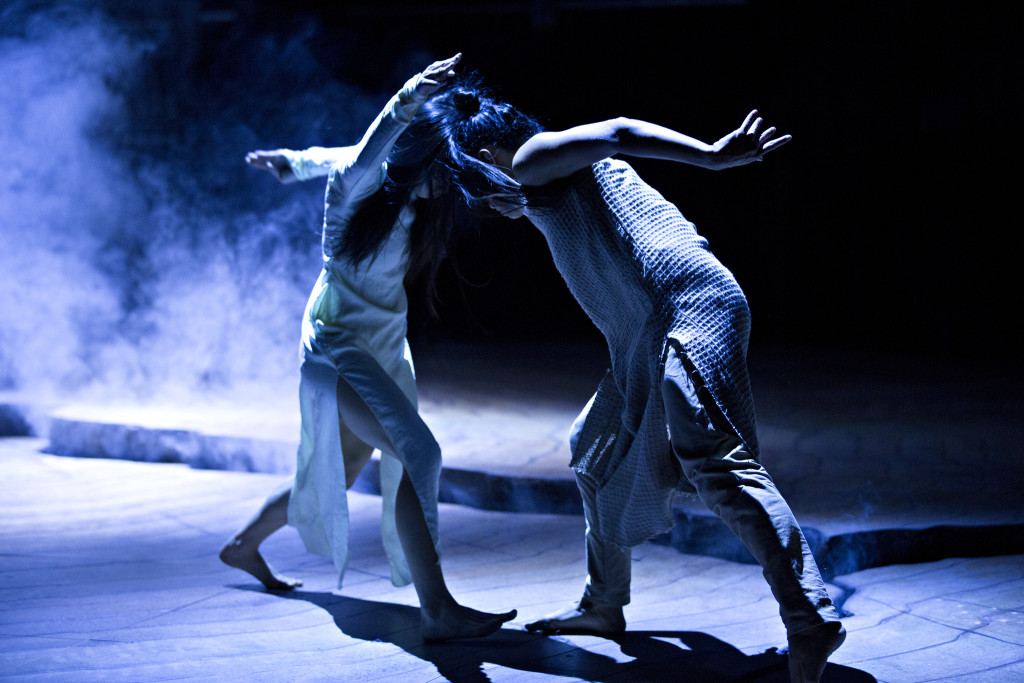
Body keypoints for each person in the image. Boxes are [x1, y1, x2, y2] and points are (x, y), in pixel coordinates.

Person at [437, 81, 845, 681]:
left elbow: (619, 129)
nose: (478, 193)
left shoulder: (531, 155)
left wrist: (712, 155)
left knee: (716, 463)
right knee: (594, 451)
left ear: (490, 151)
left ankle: (809, 619)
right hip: (646, 331)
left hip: (689, 308)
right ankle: (602, 606)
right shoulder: (541, 184)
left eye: (475, 173)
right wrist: (513, 204)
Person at [219, 54, 516, 641]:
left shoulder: (410, 193)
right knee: (417, 453)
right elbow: (356, 154)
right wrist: (410, 95)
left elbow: (344, 155)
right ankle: (438, 609)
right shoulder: (356, 187)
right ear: (414, 156)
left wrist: (503, 195)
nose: (447, 180)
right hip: (337, 349)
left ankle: (242, 545)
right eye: (442, 165)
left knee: (348, 467)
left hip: (384, 349)